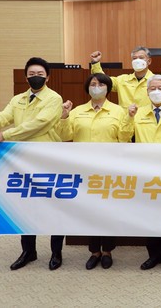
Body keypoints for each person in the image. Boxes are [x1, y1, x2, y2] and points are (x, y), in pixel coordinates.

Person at [0, 57, 64, 271]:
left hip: (47, 158)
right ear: (26, 77)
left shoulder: (54, 98)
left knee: (54, 206)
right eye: (32, 74)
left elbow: (39, 124)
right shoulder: (18, 99)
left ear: (48, 77)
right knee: (25, 205)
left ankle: (56, 252)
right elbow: (2, 119)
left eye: (40, 74)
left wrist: (6, 134)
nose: (36, 77)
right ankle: (29, 251)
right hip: (21, 159)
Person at [56, 73, 129, 270]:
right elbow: (65, 135)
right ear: (87, 88)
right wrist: (64, 116)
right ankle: (94, 251)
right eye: (93, 84)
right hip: (84, 169)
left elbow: (124, 138)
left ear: (108, 89)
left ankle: (107, 251)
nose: (97, 87)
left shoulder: (118, 111)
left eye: (101, 84)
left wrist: (130, 118)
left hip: (109, 169)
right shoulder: (77, 111)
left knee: (108, 211)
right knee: (90, 210)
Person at [120, 75, 161, 271]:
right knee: (150, 216)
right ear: (147, 92)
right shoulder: (137, 114)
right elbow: (124, 137)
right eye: (152, 88)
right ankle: (154, 255)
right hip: (147, 173)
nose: (156, 92)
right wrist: (128, 117)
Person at [90, 46, 161, 108]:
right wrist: (95, 63)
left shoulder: (157, 81)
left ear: (149, 61)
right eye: (134, 58)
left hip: (147, 120)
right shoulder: (122, 80)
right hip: (126, 120)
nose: (137, 61)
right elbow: (102, 80)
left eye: (141, 57)